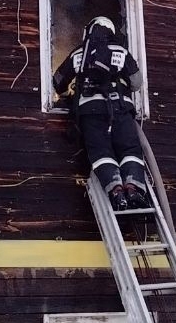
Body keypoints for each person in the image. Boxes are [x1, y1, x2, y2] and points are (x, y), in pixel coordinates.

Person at [51, 16, 147, 211]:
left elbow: (58, 81)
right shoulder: (120, 51)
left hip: (90, 112)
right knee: (130, 150)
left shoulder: (78, 53)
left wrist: (67, 96)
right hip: (120, 109)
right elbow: (136, 82)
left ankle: (116, 192)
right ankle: (133, 189)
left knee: (101, 153)